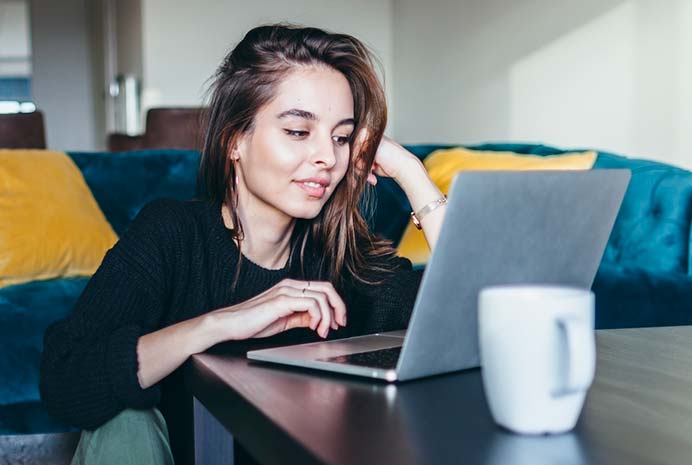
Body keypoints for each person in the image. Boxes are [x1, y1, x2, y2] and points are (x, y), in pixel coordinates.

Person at [39, 24, 450, 465]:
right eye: (297, 131)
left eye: (342, 137)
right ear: (235, 139)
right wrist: (219, 325)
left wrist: (411, 173)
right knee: (122, 419)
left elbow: (470, 320)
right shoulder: (172, 234)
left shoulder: (343, 258)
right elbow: (65, 381)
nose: (328, 158)